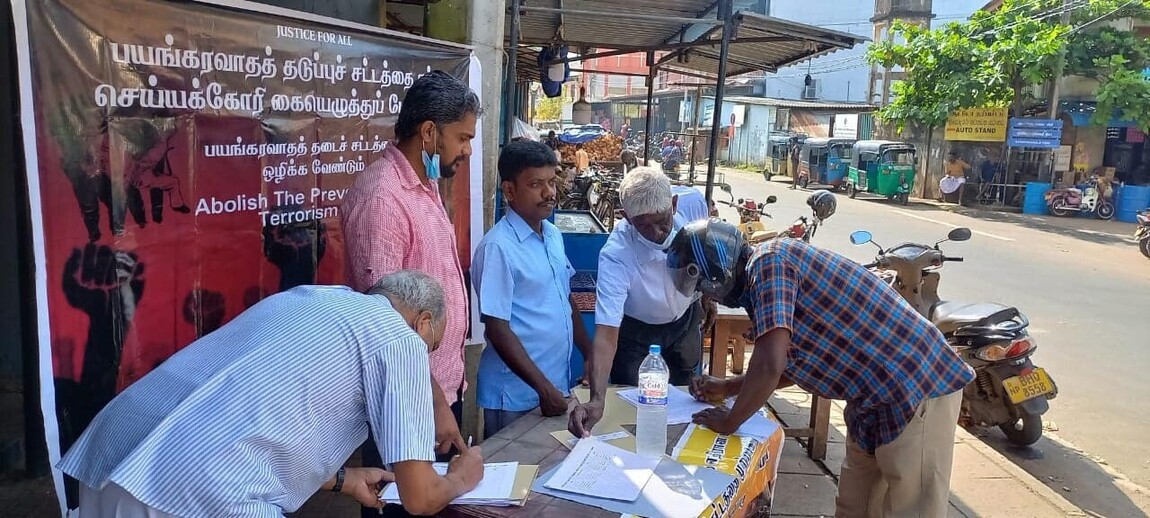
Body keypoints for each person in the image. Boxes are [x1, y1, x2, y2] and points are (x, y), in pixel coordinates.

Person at [57, 271, 486, 517]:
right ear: (423, 322)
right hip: (193, 493)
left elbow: (254, 418)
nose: (423, 355)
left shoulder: (312, 298)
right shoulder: (399, 339)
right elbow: (421, 497)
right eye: (432, 346)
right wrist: (461, 477)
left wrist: (342, 478)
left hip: (116, 455)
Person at [666, 219, 975, 518]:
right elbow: (791, 362)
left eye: (704, 288)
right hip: (870, 401)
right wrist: (727, 387)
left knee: (911, 509)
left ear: (716, 275)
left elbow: (770, 364)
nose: (707, 297)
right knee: (853, 508)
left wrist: (731, 420)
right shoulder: (763, 277)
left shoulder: (768, 264)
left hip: (916, 387)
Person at [340, 70, 480, 517]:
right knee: (406, 509)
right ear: (428, 133)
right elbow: (387, 326)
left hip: (435, 391)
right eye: (462, 138)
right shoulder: (383, 197)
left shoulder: (425, 186)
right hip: (407, 398)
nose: (467, 150)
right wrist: (436, 403)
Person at [568, 167, 704, 438]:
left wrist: (705, 300)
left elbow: (707, 267)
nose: (656, 232)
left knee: (686, 403)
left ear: (674, 205)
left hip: (684, 323)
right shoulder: (616, 255)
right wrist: (597, 398)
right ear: (626, 219)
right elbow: (607, 333)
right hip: (635, 334)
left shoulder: (691, 225)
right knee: (633, 406)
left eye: (663, 221)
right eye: (644, 226)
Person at [473, 140, 594, 438]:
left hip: (554, 389)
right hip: (515, 395)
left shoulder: (552, 235)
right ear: (510, 191)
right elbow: (497, 328)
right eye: (536, 184)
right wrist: (543, 388)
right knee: (514, 477)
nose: (549, 192)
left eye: (551, 182)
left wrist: (590, 353)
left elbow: (565, 298)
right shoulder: (498, 247)